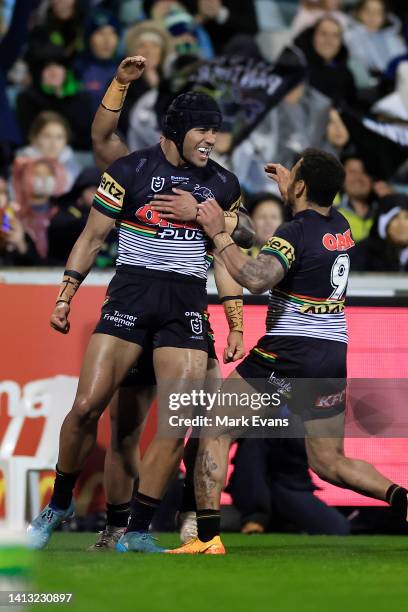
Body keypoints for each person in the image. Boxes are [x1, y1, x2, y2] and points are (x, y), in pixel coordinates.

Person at [26, 60, 252, 552]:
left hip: (185, 304)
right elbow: (91, 238)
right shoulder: (129, 169)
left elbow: (232, 248)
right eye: (203, 129)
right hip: (130, 296)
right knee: (87, 408)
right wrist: (65, 296)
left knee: (178, 419)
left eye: (216, 130)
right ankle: (59, 502)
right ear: (175, 130)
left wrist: (235, 317)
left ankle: (139, 531)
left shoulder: (223, 185)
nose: (211, 139)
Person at [169, 148, 408, 554]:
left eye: (293, 176)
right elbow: (310, 229)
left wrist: (217, 231)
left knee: (215, 428)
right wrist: (293, 193)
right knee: (330, 461)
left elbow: (255, 278)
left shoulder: (293, 233)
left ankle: (206, 538)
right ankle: (402, 499)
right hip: (331, 352)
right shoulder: (342, 225)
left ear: (300, 185)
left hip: (289, 351)